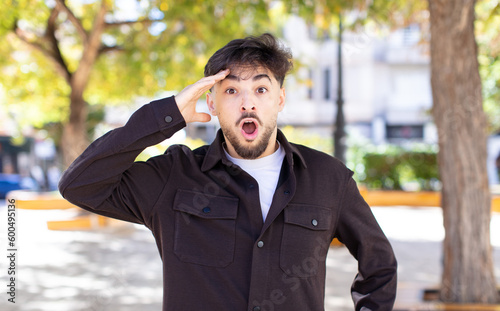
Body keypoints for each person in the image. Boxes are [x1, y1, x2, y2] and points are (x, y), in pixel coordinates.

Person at [59, 33, 397, 311]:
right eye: (231, 90)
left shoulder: (328, 178)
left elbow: (379, 265)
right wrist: (168, 114)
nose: (247, 103)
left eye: (261, 90)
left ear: (280, 99)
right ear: (211, 103)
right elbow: (80, 184)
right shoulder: (174, 176)